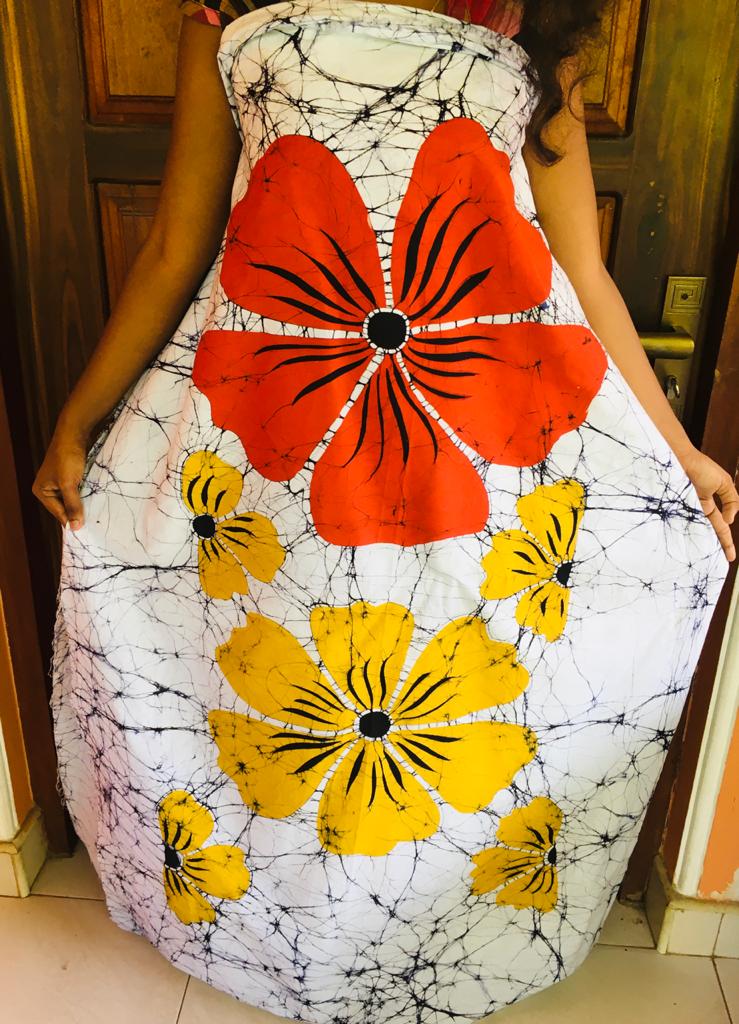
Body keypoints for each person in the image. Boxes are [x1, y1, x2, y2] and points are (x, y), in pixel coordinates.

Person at [33, 1, 736, 1021]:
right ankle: (279, 949)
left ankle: (428, 957)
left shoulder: (533, 18)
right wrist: (78, 419)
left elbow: (579, 267)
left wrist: (679, 452)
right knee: (282, 693)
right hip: (276, 421)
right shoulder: (226, 8)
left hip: (469, 431)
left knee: (449, 693)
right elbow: (178, 244)